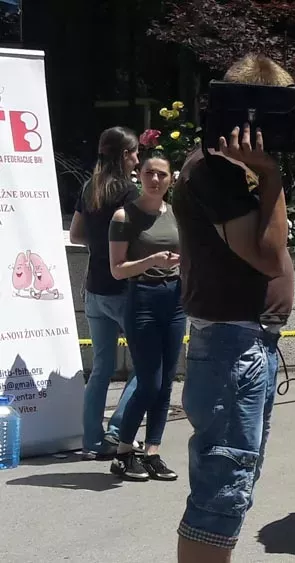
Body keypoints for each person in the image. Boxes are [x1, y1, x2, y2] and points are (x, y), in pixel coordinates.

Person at [171, 54, 295, 562]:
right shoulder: (213, 171)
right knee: (222, 489)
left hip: (244, 341)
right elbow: (269, 257)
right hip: (232, 343)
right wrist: (271, 175)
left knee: (233, 482)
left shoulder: (227, 169)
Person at [107, 150, 185, 481]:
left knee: (166, 382)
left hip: (175, 299)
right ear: (139, 175)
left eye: (162, 174)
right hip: (142, 299)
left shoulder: (176, 214)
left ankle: (152, 451)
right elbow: (117, 269)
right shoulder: (124, 216)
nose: (155, 179)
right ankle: (123, 452)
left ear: (171, 180)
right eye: (149, 172)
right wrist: (151, 261)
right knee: (148, 382)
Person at [68, 126, 140, 461]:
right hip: (124, 288)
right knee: (147, 365)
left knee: (101, 368)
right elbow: (141, 239)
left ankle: (92, 440)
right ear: (124, 155)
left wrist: (100, 243)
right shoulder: (130, 193)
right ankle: (118, 430)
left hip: (94, 287)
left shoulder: (89, 188)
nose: (137, 159)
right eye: (135, 152)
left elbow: (75, 234)